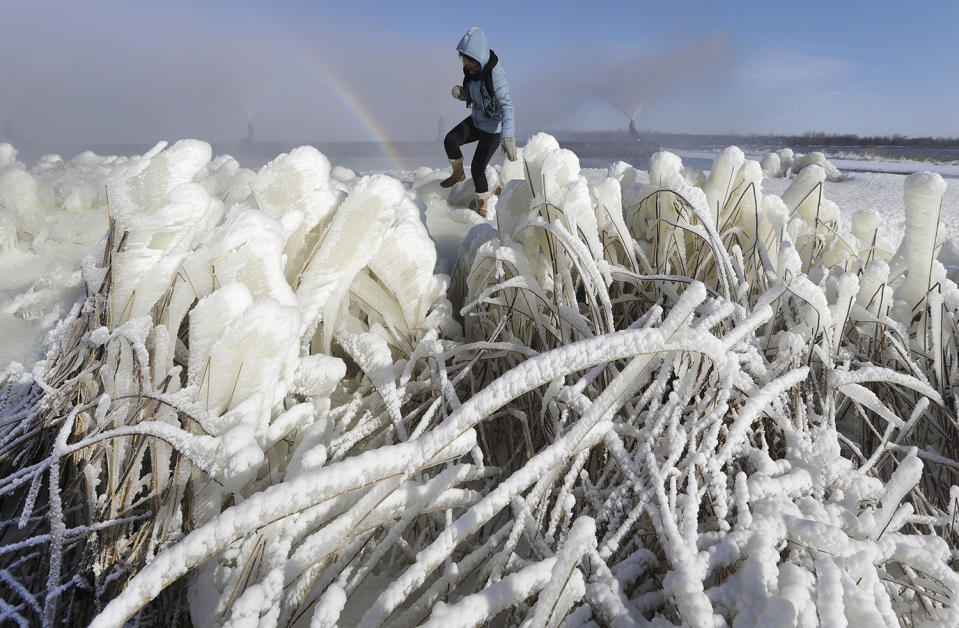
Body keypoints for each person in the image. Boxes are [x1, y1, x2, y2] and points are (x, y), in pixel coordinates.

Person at [441, 26, 517, 218]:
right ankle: (458, 173)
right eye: (463, 59)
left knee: (477, 168)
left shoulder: (496, 74)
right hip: (477, 119)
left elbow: (507, 105)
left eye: (469, 59)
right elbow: (476, 95)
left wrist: (507, 135)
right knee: (450, 140)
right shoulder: (471, 71)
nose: (465, 63)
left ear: (479, 56)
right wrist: (463, 93)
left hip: (493, 128)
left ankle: (482, 207)